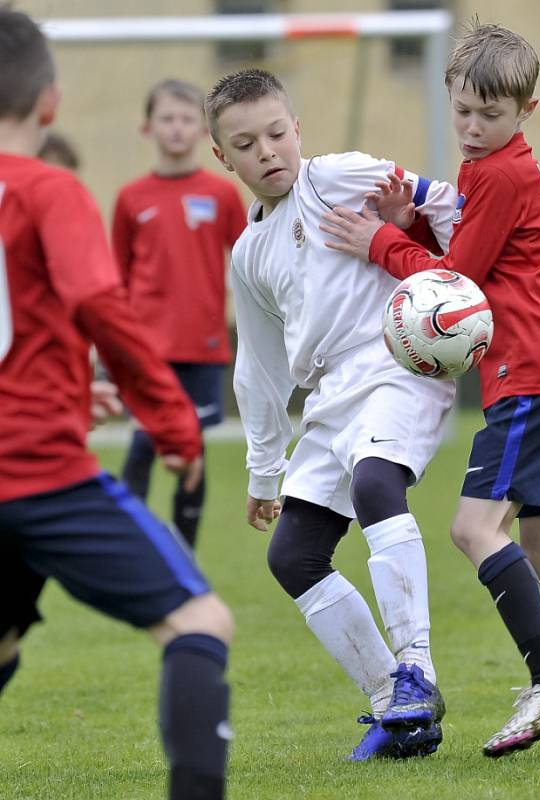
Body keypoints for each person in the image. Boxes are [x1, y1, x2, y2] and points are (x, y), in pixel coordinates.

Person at [321, 21, 540, 756]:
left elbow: (452, 286)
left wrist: (376, 240)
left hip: (533, 377)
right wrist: (414, 225)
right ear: (450, 98)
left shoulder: (500, 173)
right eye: (462, 111)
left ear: (525, 111)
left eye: (490, 115)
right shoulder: (495, 170)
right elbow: (477, 263)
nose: (472, 128)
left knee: (474, 530)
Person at [0, 10, 234, 799]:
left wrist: (66, 386)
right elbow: (100, 305)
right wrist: (171, 419)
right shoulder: (49, 190)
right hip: (39, 475)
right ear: (50, 104)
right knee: (201, 625)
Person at [204, 67, 456, 760]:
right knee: (293, 556)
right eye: (246, 143)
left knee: (377, 482)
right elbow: (256, 369)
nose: (268, 152)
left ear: (298, 130)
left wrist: (413, 235)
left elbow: (455, 205)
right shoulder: (249, 253)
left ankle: (417, 671)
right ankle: (398, 713)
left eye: (278, 133)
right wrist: (264, 472)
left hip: (397, 364)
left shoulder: (338, 177)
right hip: (330, 398)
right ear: (222, 157)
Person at [112, 78, 246, 548]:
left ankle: (184, 551)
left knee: (193, 449)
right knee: (145, 441)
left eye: (187, 119)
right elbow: (117, 278)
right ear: (148, 127)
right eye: (166, 118)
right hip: (147, 349)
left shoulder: (222, 194)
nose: (176, 128)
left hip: (204, 346)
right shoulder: (131, 198)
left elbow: (249, 259)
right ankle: (130, 545)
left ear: (203, 131)